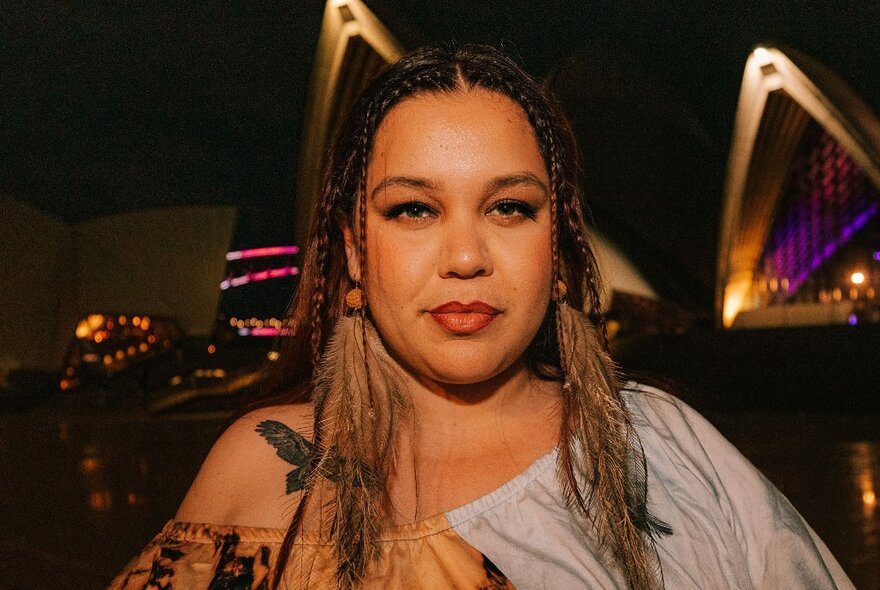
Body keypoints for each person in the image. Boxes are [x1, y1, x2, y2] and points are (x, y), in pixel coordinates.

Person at [110, 44, 853, 590]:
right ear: (356, 253)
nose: (465, 256)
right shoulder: (257, 471)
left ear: (558, 248)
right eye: (413, 209)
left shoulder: (667, 448)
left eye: (509, 207)